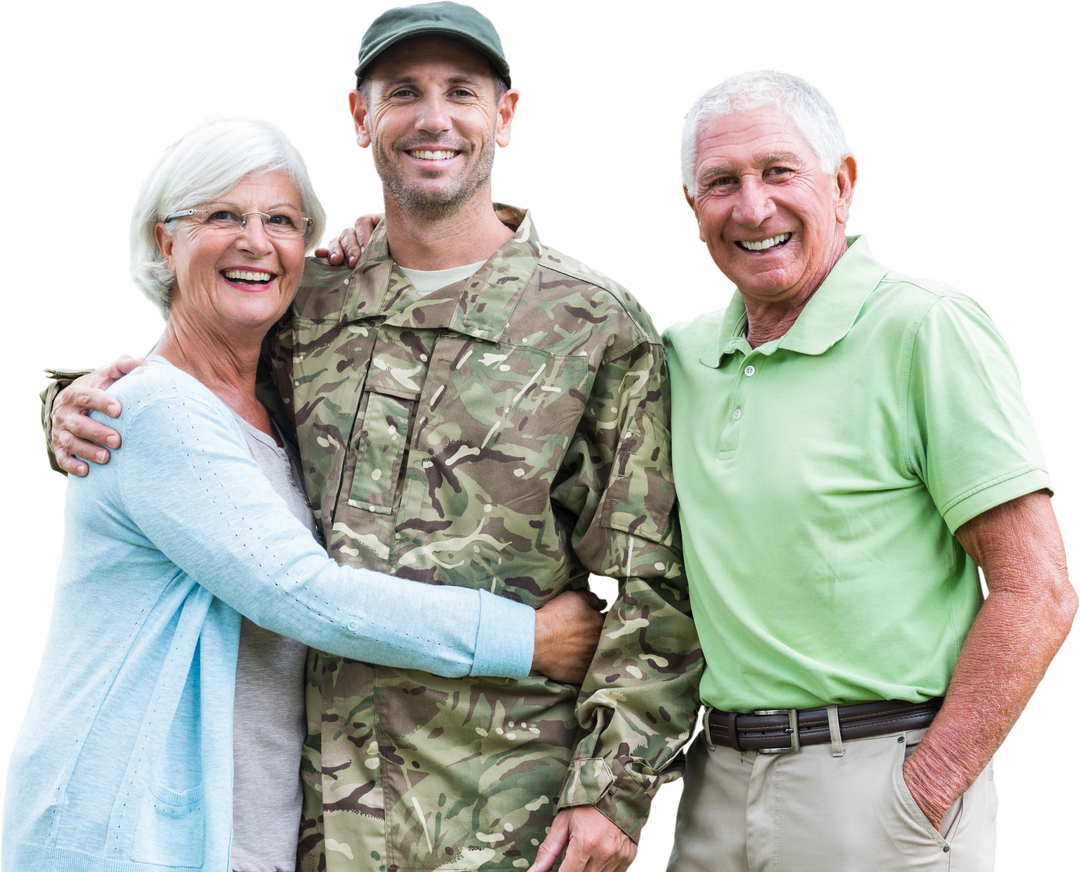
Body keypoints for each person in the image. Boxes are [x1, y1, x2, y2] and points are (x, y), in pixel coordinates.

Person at [36, 4, 703, 871]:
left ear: (505, 115)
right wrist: (69, 401)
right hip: (308, 819)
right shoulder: (304, 302)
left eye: (462, 92)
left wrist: (614, 792)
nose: (434, 118)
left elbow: (650, 582)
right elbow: (193, 389)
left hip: (506, 819)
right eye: (404, 92)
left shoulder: (594, 324)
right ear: (359, 117)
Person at [661, 67, 1075, 870]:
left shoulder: (927, 328)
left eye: (779, 172)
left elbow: (1038, 588)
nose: (752, 208)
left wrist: (929, 785)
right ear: (691, 207)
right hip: (712, 787)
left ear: (843, 181)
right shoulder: (680, 358)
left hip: (877, 787)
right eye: (721, 183)